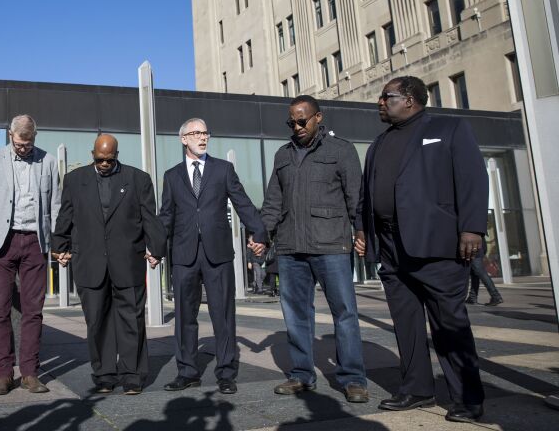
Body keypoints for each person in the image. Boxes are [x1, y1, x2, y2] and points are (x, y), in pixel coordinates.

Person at [355, 76, 488, 423]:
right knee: (406, 323)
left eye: (387, 97)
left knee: (449, 323)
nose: (380, 103)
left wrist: (471, 227)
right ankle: (416, 388)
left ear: (410, 99)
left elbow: (473, 178)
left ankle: (468, 398)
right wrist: (363, 231)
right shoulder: (379, 143)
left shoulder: (449, 128)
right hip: (391, 247)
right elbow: (367, 196)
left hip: (437, 246)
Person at [260, 95, 369, 403]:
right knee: (296, 314)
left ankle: (352, 378)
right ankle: (301, 374)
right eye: (291, 122)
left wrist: (361, 231)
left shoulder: (342, 150)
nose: (296, 126)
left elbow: (356, 198)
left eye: (302, 120)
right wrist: (262, 233)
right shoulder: (282, 155)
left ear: (318, 117)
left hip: (332, 245)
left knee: (344, 313)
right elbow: (272, 201)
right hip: (291, 247)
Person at [158, 118, 268, 394]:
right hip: (184, 254)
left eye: (205, 132)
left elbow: (242, 202)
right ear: (183, 139)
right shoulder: (172, 176)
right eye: (195, 133)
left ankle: (226, 373)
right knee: (185, 316)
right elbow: (166, 216)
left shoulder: (223, 169)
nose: (202, 137)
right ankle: (187, 372)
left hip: (217, 252)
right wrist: (156, 248)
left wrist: (259, 233)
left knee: (223, 314)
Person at [52, 134, 166, 394]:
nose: (104, 164)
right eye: (100, 159)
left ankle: (132, 375)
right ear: (93, 153)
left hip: (127, 261)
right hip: (89, 262)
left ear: (117, 155)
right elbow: (65, 215)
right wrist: (59, 246)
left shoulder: (138, 179)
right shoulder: (74, 180)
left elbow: (150, 217)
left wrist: (156, 249)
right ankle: (104, 375)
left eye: (109, 160)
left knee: (131, 321)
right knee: (97, 322)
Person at [0, 114, 61, 395]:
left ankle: (30, 373)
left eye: (29, 143)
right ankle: (3, 375)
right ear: (10, 135)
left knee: (33, 311)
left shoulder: (48, 161)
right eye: (20, 144)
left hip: (35, 242)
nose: (24, 148)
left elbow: (56, 205)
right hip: (1, 244)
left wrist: (59, 243)